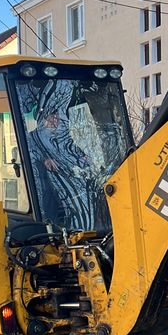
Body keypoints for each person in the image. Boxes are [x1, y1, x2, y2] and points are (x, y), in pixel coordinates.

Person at [26, 87, 95, 231]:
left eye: (56, 114)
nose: (55, 118)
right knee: (51, 209)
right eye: (51, 115)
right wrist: (44, 160)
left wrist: (83, 157)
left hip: (66, 182)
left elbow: (72, 150)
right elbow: (30, 153)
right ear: (42, 117)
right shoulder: (34, 137)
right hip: (45, 184)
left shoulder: (63, 137)